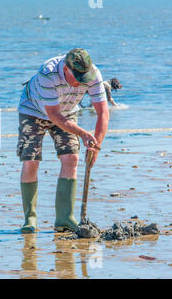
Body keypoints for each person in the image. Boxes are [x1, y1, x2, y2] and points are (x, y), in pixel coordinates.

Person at [17, 48, 109, 233]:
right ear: (66, 69)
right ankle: (30, 219)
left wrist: (96, 147)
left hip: (67, 112)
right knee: (31, 160)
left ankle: (64, 218)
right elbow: (54, 116)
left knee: (71, 158)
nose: (81, 83)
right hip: (33, 110)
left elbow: (103, 112)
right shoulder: (48, 73)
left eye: (85, 78)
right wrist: (83, 133)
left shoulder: (93, 74)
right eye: (78, 78)